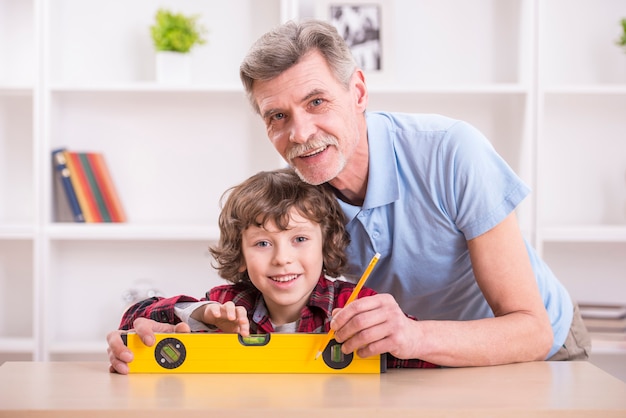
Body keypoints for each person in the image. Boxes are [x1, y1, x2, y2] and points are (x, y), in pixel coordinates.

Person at [108, 19, 590, 370]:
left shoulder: (451, 152)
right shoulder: (296, 198)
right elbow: (242, 301)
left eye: (316, 102)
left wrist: (414, 335)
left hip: (538, 349)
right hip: (414, 360)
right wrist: (168, 326)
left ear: (358, 92)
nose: (300, 133)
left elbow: (531, 327)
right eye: (277, 116)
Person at [108, 168, 437, 374]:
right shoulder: (228, 304)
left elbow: (418, 358)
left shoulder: (355, 304)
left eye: (300, 239)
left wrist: (398, 339)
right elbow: (133, 317)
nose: (282, 258)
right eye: (263, 243)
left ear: (326, 244)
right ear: (241, 254)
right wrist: (199, 313)